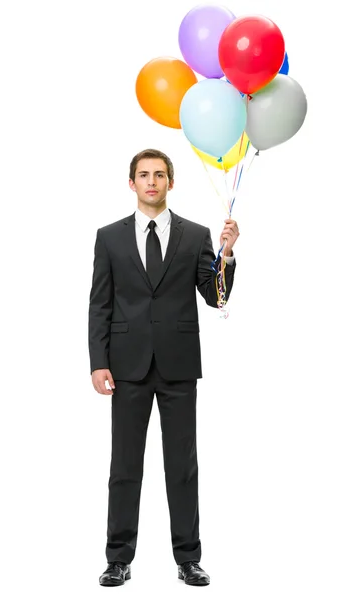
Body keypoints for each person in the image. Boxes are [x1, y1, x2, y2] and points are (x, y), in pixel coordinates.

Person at [88, 149, 239, 587]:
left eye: (159, 175)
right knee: (125, 466)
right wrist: (99, 362)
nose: (151, 181)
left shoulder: (195, 235)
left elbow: (217, 297)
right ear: (131, 183)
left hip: (177, 366)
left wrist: (226, 255)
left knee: (182, 466)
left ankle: (188, 558)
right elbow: (99, 303)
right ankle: (118, 558)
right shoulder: (109, 237)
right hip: (126, 366)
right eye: (143, 175)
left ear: (171, 182)